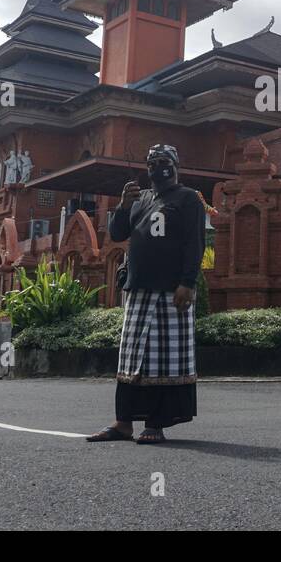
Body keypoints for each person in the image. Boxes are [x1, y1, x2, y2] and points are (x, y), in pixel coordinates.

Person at [87, 143, 205, 445]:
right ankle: (123, 422)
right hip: (138, 289)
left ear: (175, 165)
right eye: (151, 162)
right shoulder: (140, 199)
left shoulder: (188, 198)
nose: (156, 167)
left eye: (163, 161)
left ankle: (156, 422)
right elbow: (117, 234)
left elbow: (195, 244)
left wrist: (188, 282)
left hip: (171, 290)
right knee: (131, 357)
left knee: (163, 359)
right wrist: (124, 205)